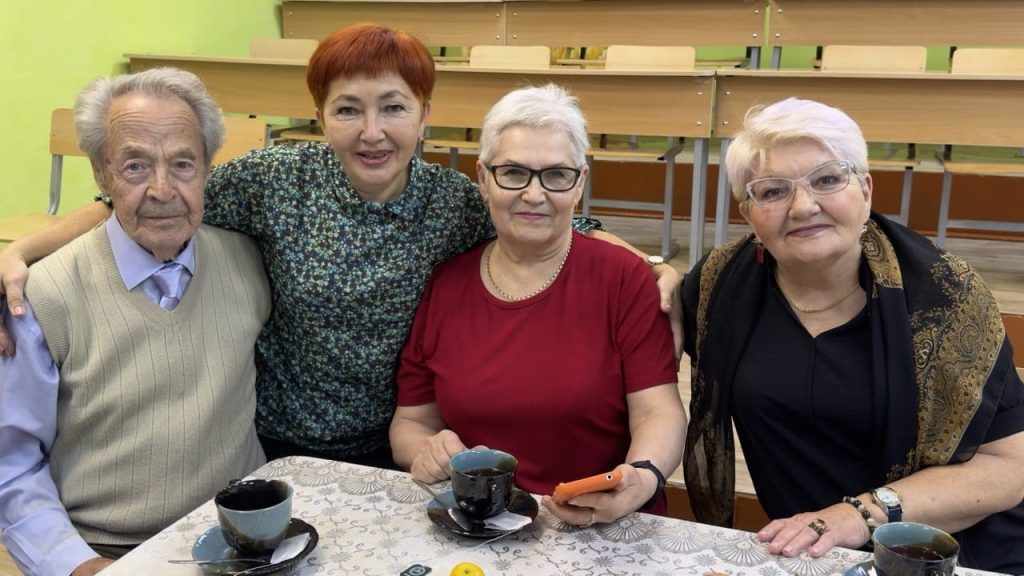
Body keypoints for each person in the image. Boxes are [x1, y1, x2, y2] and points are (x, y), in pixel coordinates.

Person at [0, 24, 680, 467]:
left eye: (393, 107)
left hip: (402, 446)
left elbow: (548, 210)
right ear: (320, 117)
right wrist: (22, 252)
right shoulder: (274, 180)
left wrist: (653, 269)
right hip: (277, 444)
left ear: (425, 116)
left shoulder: (450, 201)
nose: (371, 131)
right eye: (348, 109)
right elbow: (140, 199)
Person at [679, 97, 1024, 573]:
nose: (803, 207)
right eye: (773, 191)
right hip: (811, 555)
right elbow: (610, 273)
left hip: (954, 552)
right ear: (748, 213)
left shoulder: (944, 295)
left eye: (827, 180)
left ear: (865, 189)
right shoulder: (718, 286)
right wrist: (652, 265)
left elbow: (1009, 467)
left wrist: (859, 515)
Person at [0, 68, 270, 576]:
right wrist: (78, 565)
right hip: (107, 551)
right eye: (135, 166)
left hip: (243, 543)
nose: (162, 190)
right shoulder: (43, 295)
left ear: (207, 170)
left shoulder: (249, 261)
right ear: (101, 176)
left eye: (183, 164)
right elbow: (10, 465)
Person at [390, 84, 686, 527]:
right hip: (478, 524)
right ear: (483, 178)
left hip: (598, 525)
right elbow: (409, 423)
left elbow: (658, 411)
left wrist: (642, 478)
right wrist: (426, 450)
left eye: (556, 175)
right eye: (513, 172)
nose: (534, 194)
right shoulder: (446, 284)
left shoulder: (624, 279)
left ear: (580, 182)